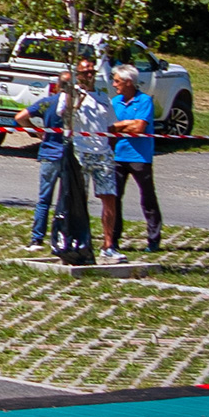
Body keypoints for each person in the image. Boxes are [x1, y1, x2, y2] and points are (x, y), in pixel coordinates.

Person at [67, 56, 126, 263]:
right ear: (78, 74)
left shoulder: (103, 97)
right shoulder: (72, 95)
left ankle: (109, 245)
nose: (89, 75)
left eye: (92, 71)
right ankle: (80, 241)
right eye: (85, 72)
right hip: (80, 152)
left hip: (102, 154)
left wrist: (109, 147)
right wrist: (76, 99)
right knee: (78, 199)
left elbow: (111, 126)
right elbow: (64, 118)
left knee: (109, 198)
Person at [109, 63, 162, 252]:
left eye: (117, 81)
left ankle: (154, 239)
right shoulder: (114, 102)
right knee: (114, 198)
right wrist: (125, 124)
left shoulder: (145, 101)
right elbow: (109, 127)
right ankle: (113, 238)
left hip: (139, 156)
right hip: (117, 155)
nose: (114, 84)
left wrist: (120, 125)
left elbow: (139, 128)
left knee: (147, 198)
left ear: (128, 82)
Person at [13, 79, 69, 251]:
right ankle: (60, 238)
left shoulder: (47, 103)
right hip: (68, 155)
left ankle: (37, 239)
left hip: (49, 154)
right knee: (64, 200)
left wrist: (37, 132)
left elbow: (20, 117)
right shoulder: (76, 105)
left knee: (44, 199)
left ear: (58, 86)